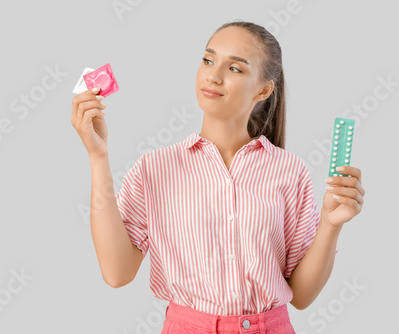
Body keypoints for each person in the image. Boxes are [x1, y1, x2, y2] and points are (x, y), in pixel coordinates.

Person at [71, 20, 365, 334]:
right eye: (208, 60)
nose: (214, 75)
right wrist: (98, 156)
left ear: (264, 90)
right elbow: (117, 273)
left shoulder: (289, 170)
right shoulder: (153, 168)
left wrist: (331, 224)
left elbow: (302, 297)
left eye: (235, 68)